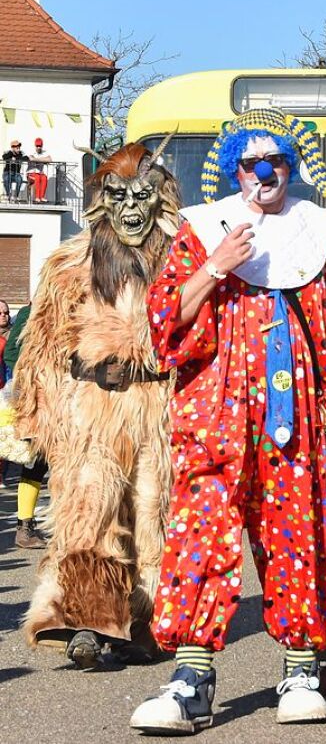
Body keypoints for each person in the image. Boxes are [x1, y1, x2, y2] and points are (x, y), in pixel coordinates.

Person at [129, 108, 326, 735]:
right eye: (252, 164)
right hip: (213, 417)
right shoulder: (202, 231)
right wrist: (217, 265)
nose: (265, 174)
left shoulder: (317, 232)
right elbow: (165, 321)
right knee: (200, 538)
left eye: (277, 163)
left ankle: (299, 670)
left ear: (292, 167)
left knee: (297, 536)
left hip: (295, 421)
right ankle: (190, 679)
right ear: (234, 171)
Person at [14, 143, 180, 666]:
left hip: (160, 406)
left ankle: (150, 622)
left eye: (142, 197)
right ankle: (88, 619)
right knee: (90, 513)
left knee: (154, 517)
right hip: (93, 408)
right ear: (100, 203)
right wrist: (37, 417)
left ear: (162, 200)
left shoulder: (184, 261)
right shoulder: (72, 262)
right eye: (118, 197)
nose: (131, 210)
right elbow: (41, 345)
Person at [3, 302, 47, 549]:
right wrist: (33, 376)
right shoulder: (32, 311)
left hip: (71, 397)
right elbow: (11, 352)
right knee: (36, 463)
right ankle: (24, 526)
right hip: (40, 400)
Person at [27, 138, 51, 203]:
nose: (38, 147)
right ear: (35, 146)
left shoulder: (45, 152)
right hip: (30, 173)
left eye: (40, 146)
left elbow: (49, 159)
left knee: (44, 178)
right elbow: (31, 159)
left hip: (40, 173)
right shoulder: (31, 152)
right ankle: (37, 197)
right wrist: (43, 159)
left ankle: (42, 197)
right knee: (37, 177)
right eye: (37, 146)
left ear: (42, 146)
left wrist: (37, 159)